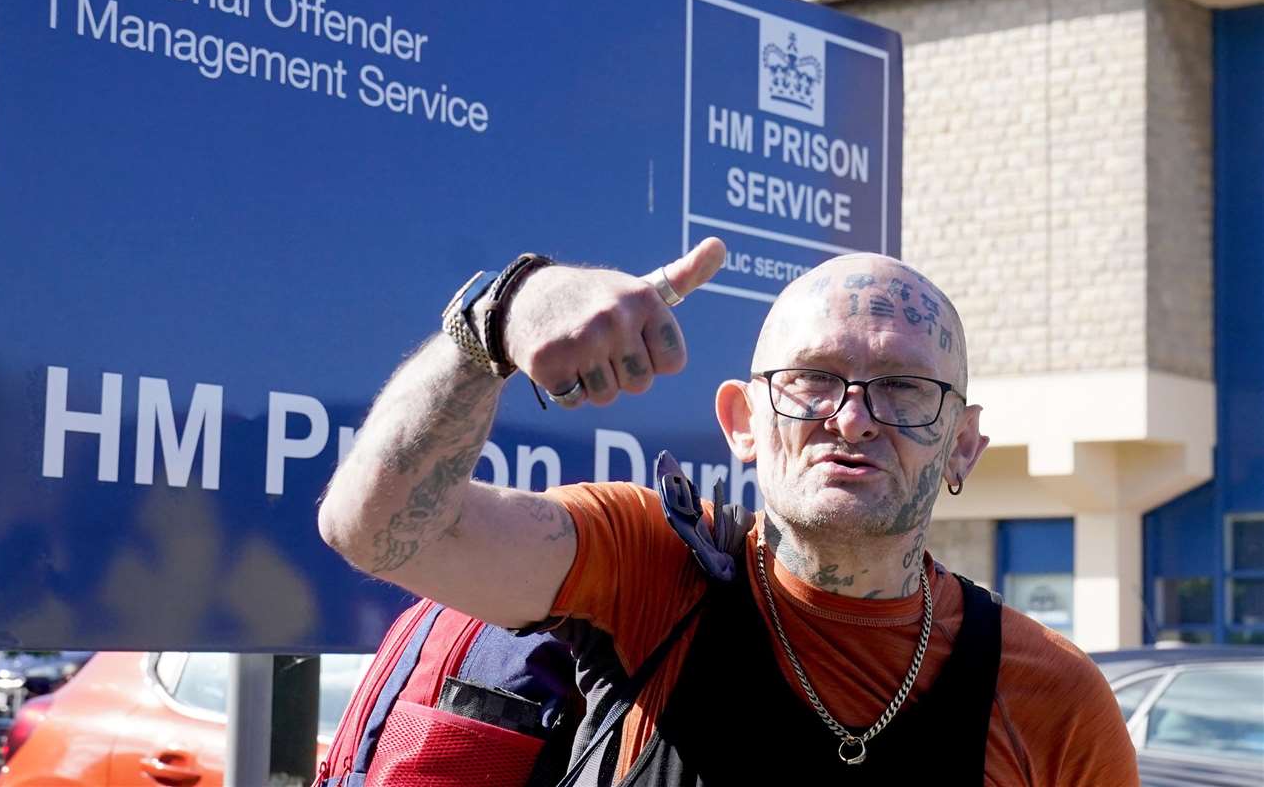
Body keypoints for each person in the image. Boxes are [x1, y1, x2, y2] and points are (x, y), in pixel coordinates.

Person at [318, 240, 1138, 786]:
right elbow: (377, 527)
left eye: (904, 389)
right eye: (812, 380)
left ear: (962, 446)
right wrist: (500, 313)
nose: (852, 418)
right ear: (742, 423)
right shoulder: (644, 566)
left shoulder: (1053, 701)